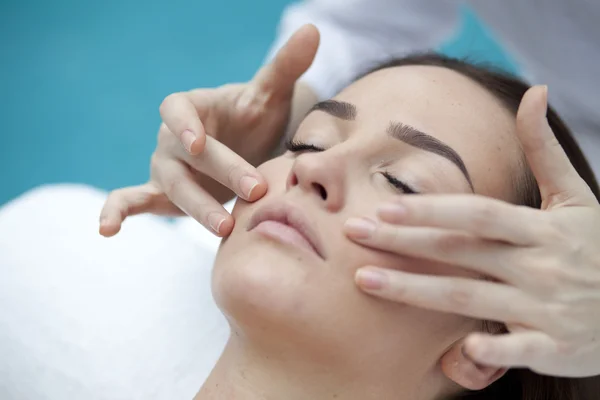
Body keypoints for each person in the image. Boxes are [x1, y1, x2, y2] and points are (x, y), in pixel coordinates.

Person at [192, 53, 599, 399]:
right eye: (307, 142)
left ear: (487, 350)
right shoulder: (131, 250)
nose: (313, 166)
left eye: (406, 185)